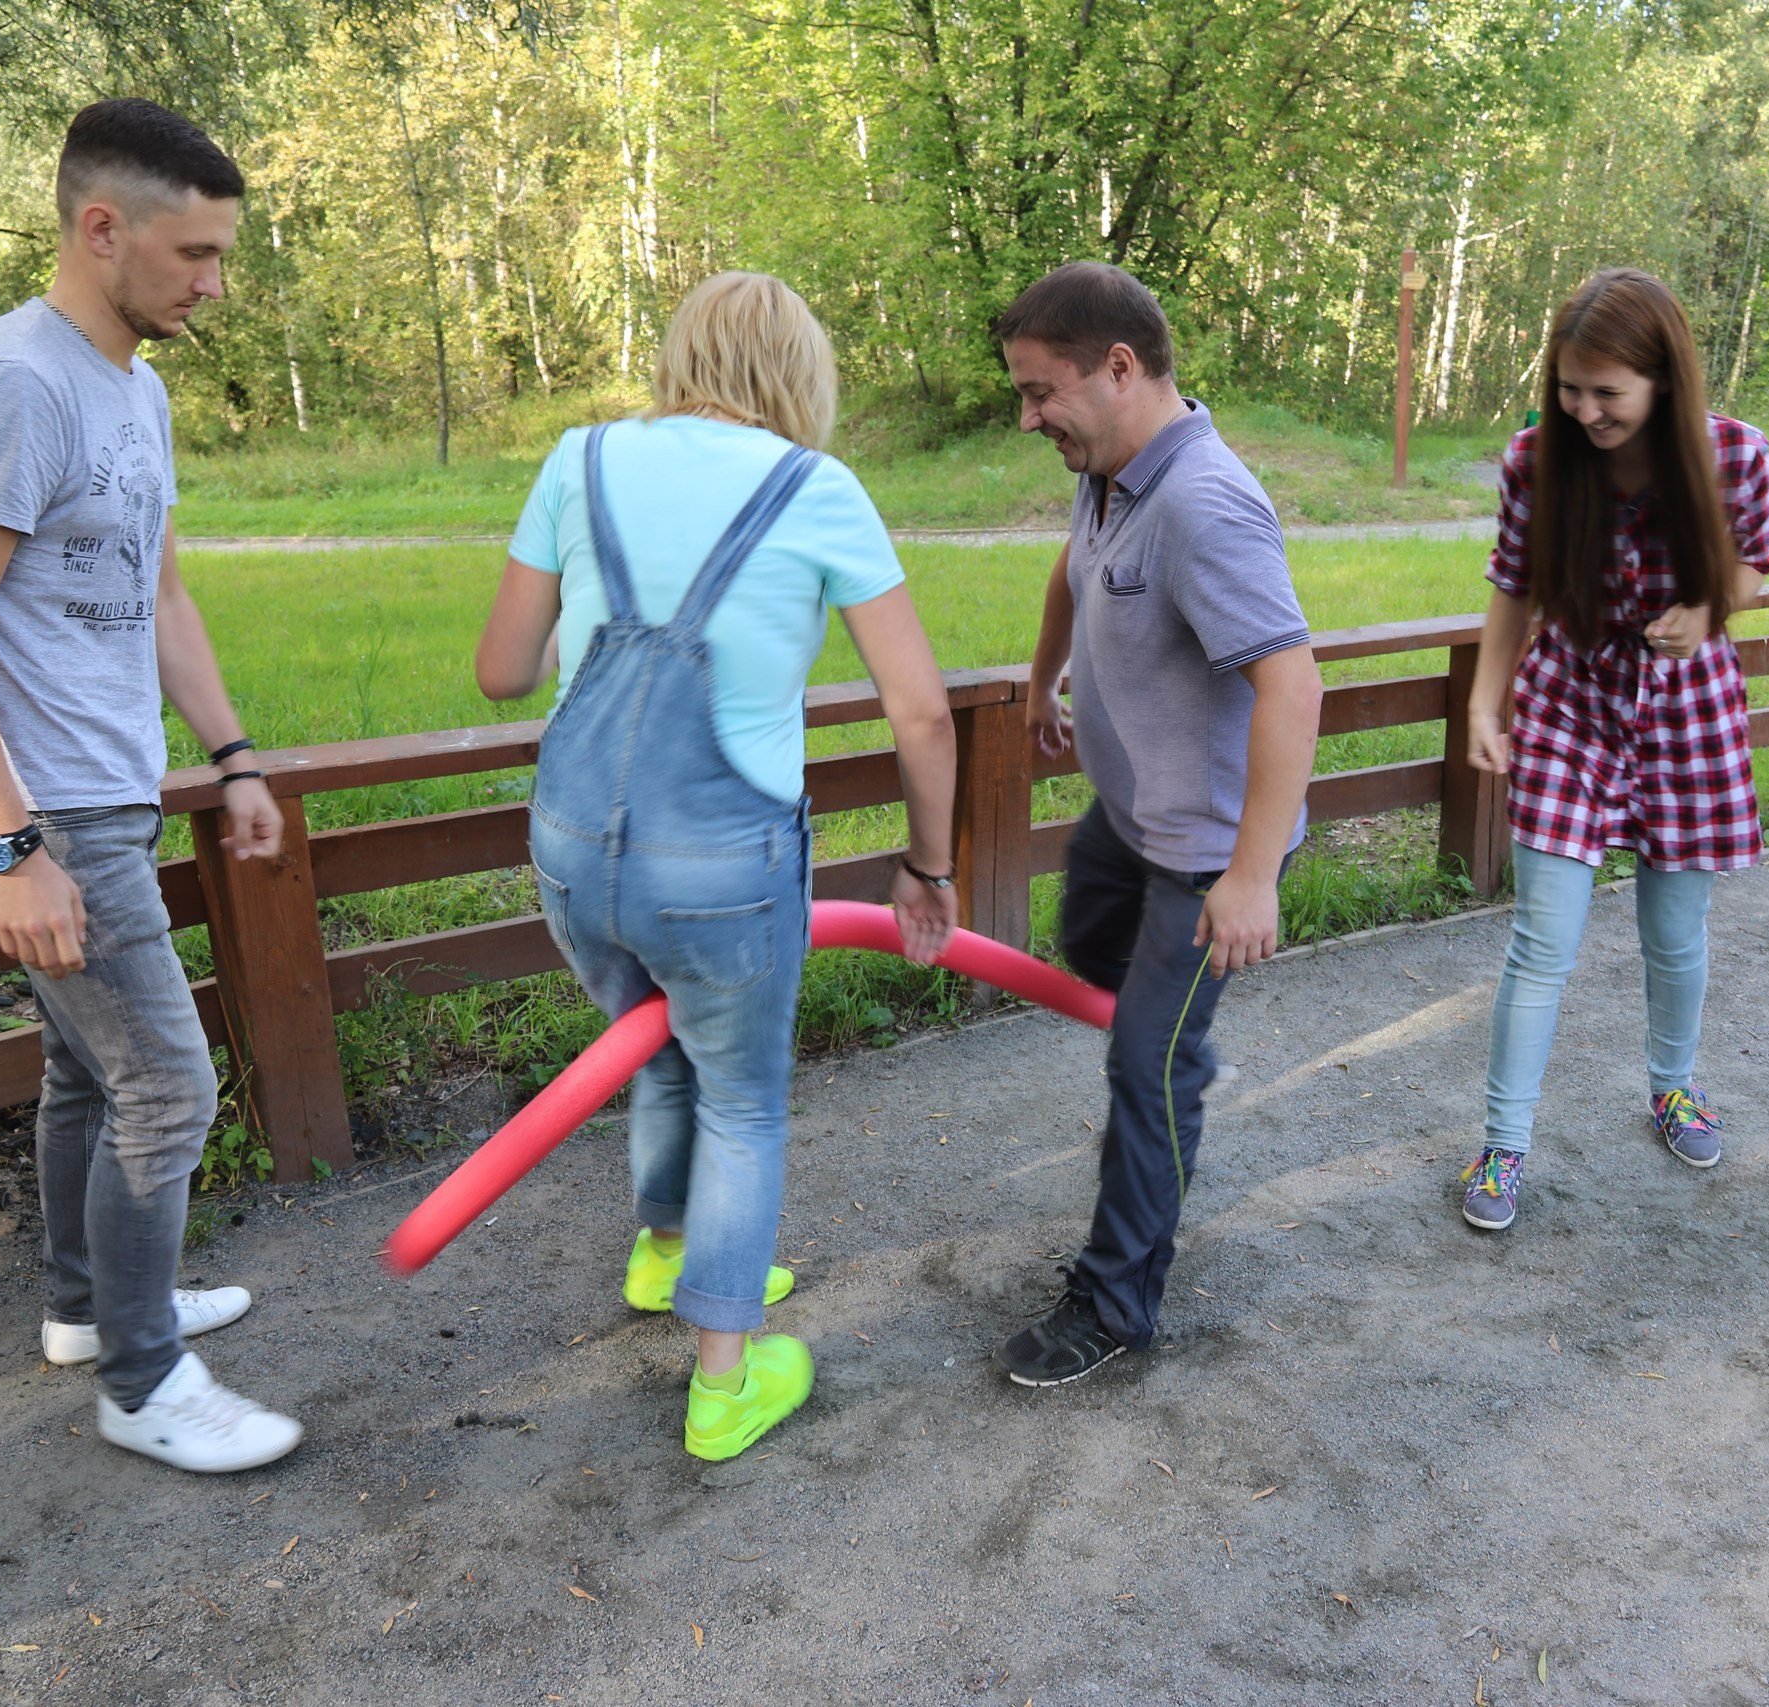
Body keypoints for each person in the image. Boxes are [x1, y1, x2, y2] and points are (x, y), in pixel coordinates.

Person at [475, 271, 958, 1460]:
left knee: (656, 1043)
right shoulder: (818, 489)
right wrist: (929, 866)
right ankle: (725, 1383)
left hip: (577, 858)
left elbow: (500, 672)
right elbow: (922, 714)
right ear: (800, 373)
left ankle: (665, 1255)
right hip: (725, 867)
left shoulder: (576, 461)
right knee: (743, 1097)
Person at [0, 99, 301, 1471]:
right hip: (38, 803)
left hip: (104, 789)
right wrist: (12, 846)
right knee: (170, 1087)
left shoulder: (136, 386)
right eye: (194, 253)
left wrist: (231, 753)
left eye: (222, 254)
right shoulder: (12, 383)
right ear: (100, 226)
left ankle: (87, 1303)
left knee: (92, 1062)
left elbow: (159, 587)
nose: (213, 283)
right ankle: (143, 1376)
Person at [993, 262, 1323, 1385]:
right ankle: (1171, 1058)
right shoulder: (1113, 470)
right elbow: (1069, 572)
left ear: (1119, 368)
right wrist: (1042, 681)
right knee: (1091, 958)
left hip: (1204, 854)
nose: (1028, 416)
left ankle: (1114, 1302)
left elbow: (1293, 683)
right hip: (1129, 820)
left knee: (1145, 1065)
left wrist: (1253, 875)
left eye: (1041, 392)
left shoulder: (1202, 502)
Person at [1457, 267, 1769, 1233]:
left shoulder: (1734, 455)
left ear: (1664, 382)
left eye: (1608, 393)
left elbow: (1758, 557)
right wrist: (1486, 701)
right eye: (1570, 387)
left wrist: (1709, 606)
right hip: (1569, 706)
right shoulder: (1535, 460)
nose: (1584, 410)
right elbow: (1513, 586)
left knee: (1674, 935)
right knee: (1540, 942)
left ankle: (1673, 1089)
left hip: (1689, 713)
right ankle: (1503, 1145)